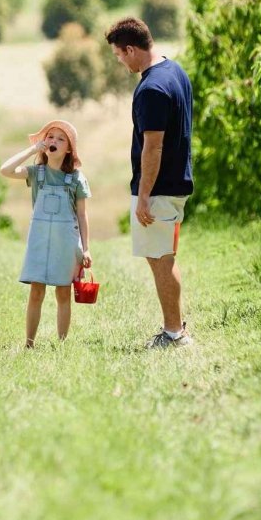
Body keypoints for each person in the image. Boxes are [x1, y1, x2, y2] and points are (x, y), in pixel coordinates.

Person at [106, 17, 195, 348]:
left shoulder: (151, 89)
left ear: (130, 49)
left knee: (160, 259)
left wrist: (143, 195)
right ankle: (176, 326)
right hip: (175, 182)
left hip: (158, 188)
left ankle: (174, 333)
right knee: (164, 256)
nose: (120, 61)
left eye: (119, 55)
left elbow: (153, 146)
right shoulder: (176, 72)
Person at [1, 120, 92, 348]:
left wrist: (86, 248)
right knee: (36, 292)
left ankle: (61, 345)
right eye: (50, 137)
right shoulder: (36, 173)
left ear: (69, 149)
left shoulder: (76, 179)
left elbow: (82, 216)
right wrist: (34, 149)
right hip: (40, 241)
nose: (54, 141)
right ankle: (29, 344)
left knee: (63, 293)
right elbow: (5, 170)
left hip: (66, 243)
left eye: (61, 139)